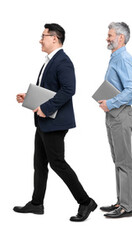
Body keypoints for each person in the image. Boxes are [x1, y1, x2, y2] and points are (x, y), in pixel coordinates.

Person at [13, 23, 97, 222]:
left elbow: (68, 90)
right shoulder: (50, 61)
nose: (40, 40)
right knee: (39, 164)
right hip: (43, 121)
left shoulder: (63, 61)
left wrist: (46, 108)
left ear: (55, 38)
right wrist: (29, 98)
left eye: (43, 36)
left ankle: (86, 201)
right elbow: (49, 89)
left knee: (57, 163)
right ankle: (36, 203)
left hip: (55, 122)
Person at [98, 21, 132, 219]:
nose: (107, 38)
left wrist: (111, 103)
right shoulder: (115, 57)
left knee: (124, 162)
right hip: (113, 115)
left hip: (121, 114)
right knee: (118, 161)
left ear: (120, 38)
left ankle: (127, 206)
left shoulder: (124, 58)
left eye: (110, 35)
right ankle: (121, 201)